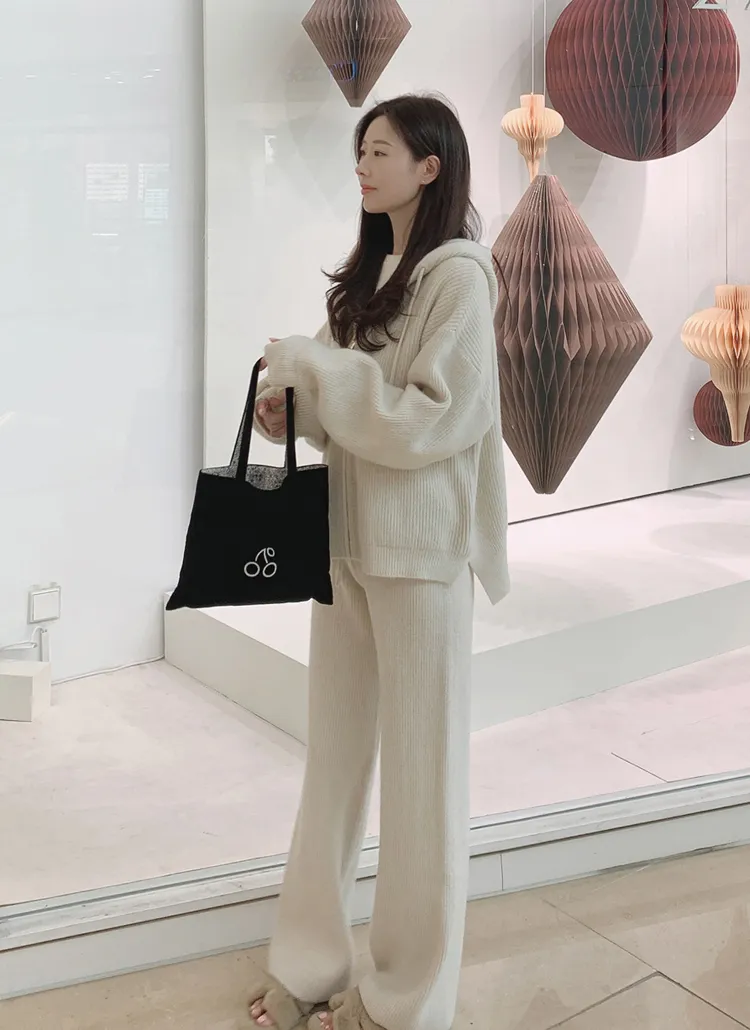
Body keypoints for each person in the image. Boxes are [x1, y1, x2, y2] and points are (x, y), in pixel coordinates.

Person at [247, 93, 509, 1030]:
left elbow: (438, 416)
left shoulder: (461, 278)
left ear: (430, 166)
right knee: (333, 768)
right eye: (360, 150)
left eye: (381, 150)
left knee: (422, 784)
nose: (362, 165)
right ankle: (308, 965)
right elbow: (349, 409)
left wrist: (321, 373)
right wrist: (292, 409)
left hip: (422, 557)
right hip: (347, 546)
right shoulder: (371, 275)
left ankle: (402, 1005)